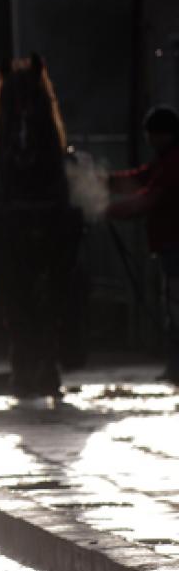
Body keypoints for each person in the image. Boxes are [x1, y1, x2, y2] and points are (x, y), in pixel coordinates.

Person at [106, 105, 179, 383]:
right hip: (169, 246)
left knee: (176, 308)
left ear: (163, 135)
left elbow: (148, 197)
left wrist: (108, 210)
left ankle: (177, 368)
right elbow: (139, 178)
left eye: (152, 135)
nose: (148, 141)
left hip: (175, 245)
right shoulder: (165, 161)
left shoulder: (174, 163)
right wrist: (103, 181)